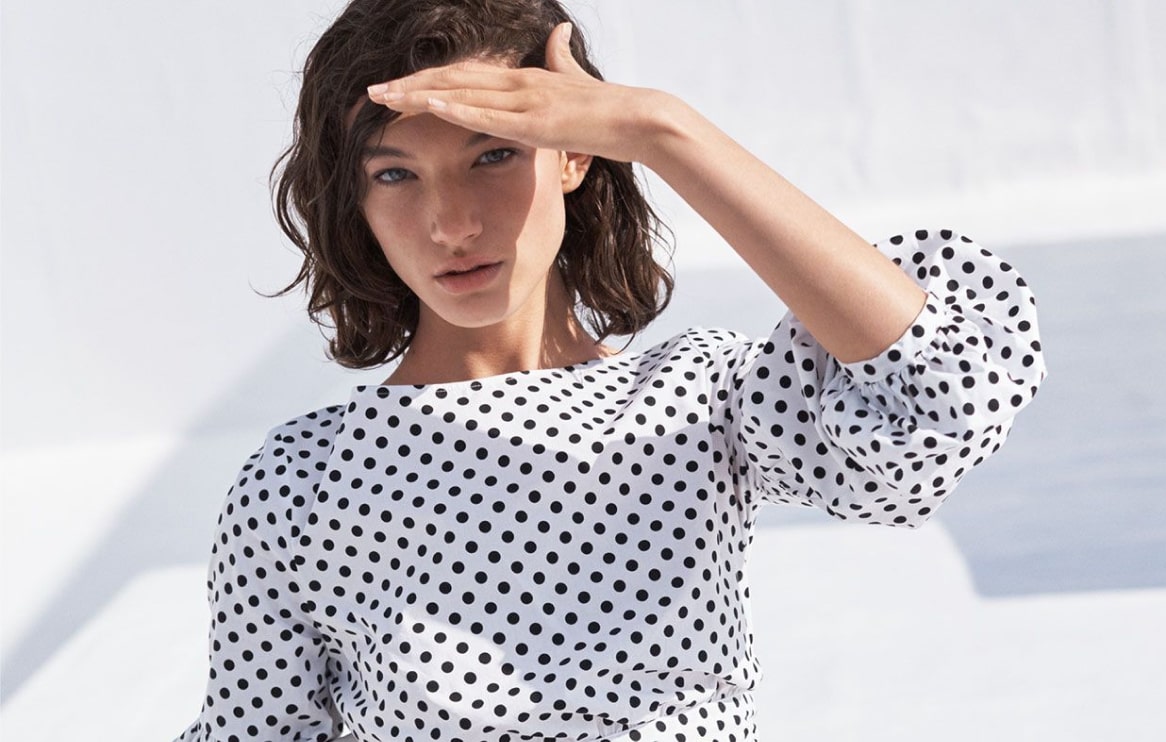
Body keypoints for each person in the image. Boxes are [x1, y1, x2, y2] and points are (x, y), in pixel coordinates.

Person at [174, 0, 1045, 740]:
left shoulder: (696, 403)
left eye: (493, 154)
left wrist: (661, 129)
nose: (451, 224)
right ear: (355, 202)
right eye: (396, 174)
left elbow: (942, 393)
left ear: (573, 152)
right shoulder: (304, 483)